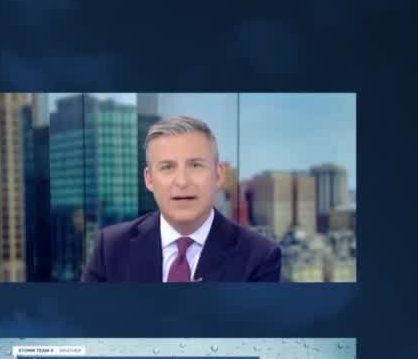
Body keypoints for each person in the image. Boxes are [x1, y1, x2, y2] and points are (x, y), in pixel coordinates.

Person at [81, 115, 281, 282]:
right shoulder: (110, 247)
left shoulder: (259, 257)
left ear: (218, 175)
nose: (182, 182)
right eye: (167, 167)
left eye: (195, 165)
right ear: (149, 179)